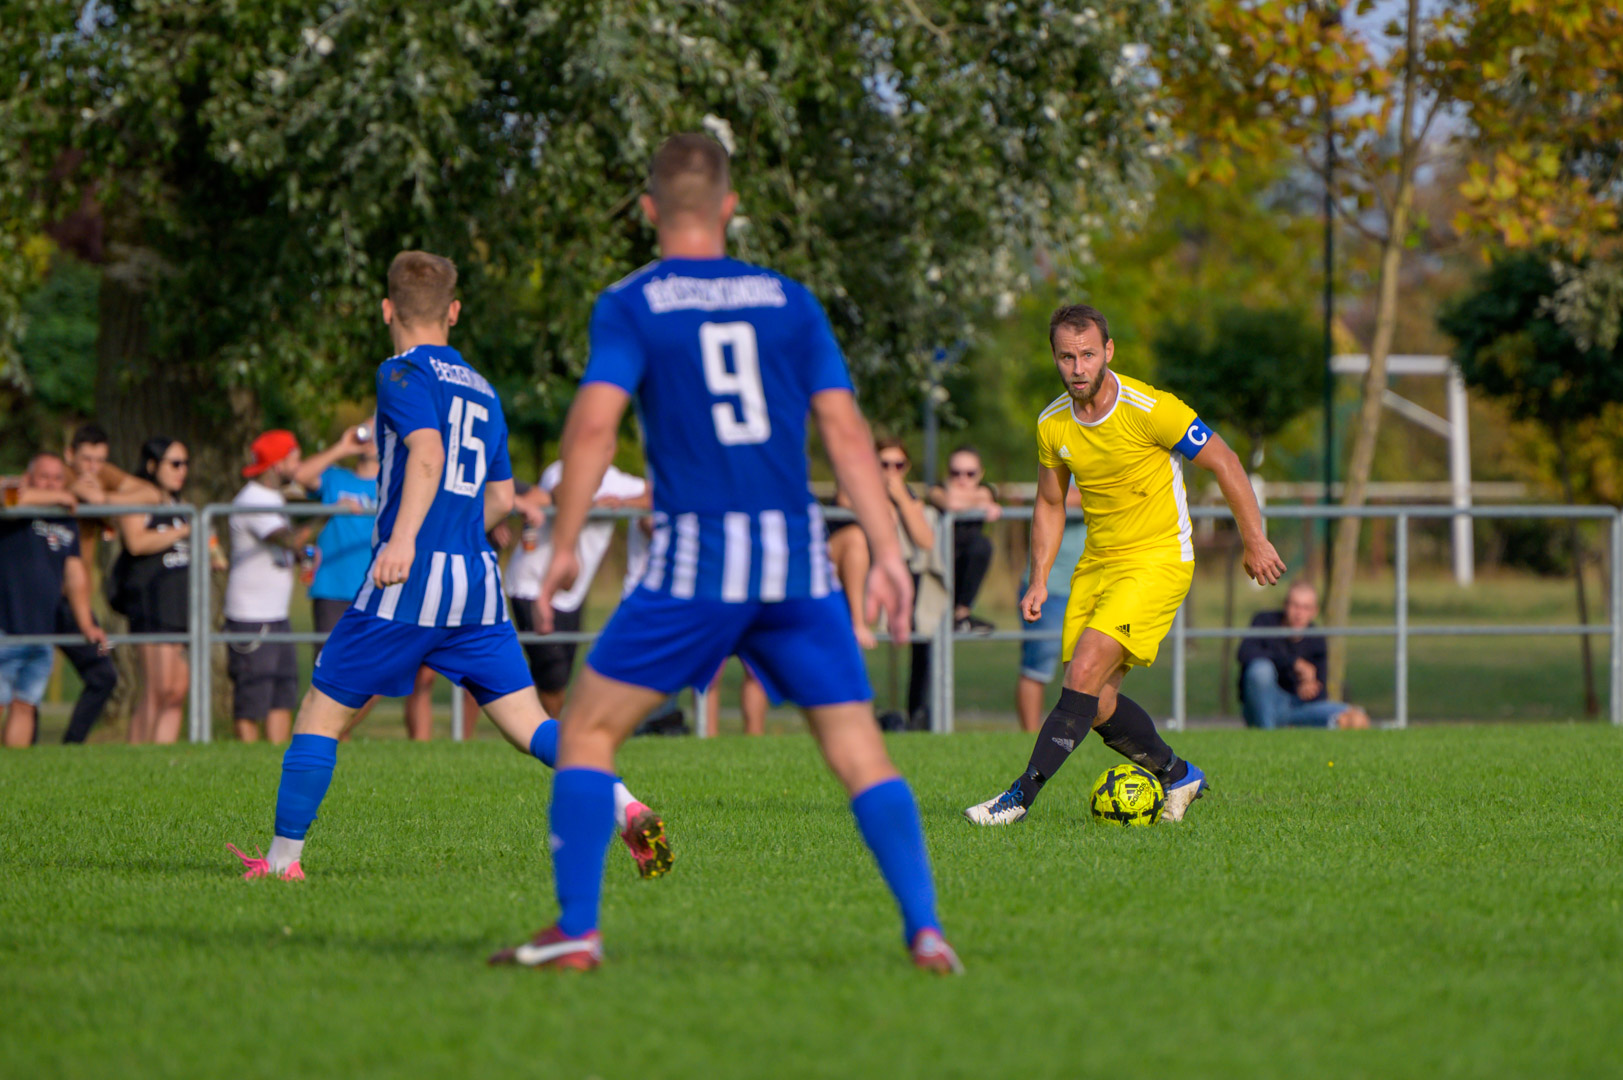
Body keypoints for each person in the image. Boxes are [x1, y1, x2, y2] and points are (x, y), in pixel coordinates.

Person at [491, 133, 960, 973]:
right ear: (730, 207)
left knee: (586, 731)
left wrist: (562, 543)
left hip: (696, 564)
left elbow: (593, 427)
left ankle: (576, 930)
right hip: (795, 562)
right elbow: (845, 431)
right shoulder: (790, 300)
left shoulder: (630, 302)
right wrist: (887, 552)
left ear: (648, 210)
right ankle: (926, 930)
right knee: (859, 751)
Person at [229, 249, 667, 884]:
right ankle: (625, 805)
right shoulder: (484, 389)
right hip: (477, 586)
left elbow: (428, 455)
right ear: (454, 311)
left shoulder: (400, 372)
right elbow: (502, 499)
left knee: (321, 714)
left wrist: (405, 539)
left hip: (410, 584)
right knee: (531, 725)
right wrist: (458, 531)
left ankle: (281, 863)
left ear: (387, 309)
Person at [965, 304, 1285, 826]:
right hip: (1097, 563)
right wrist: (1039, 578)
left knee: (1083, 672)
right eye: (1067, 357)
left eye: (1088, 354)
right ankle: (1178, 774)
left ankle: (1018, 798)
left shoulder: (1152, 409)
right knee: (1094, 700)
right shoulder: (1052, 423)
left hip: (1158, 558)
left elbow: (1225, 460)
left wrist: (1255, 540)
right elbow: (1050, 502)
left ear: (1108, 352)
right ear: (1055, 358)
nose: (1078, 368)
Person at [292, 423, 440, 740]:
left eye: (379, 431)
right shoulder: (336, 478)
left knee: (381, 673)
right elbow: (301, 475)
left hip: (379, 589)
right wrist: (343, 447)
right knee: (330, 674)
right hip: (333, 588)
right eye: (367, 431)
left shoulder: (397, 484)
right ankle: (326, 738)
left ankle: (329, 732)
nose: (372, 438)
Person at [505, 460, 651, 716]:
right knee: (552, 677)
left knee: (559, 680)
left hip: (572, 593)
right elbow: (559, 493)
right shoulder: (561, 469)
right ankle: (548, 735)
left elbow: (656, 494)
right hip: (531, 585)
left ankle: (545, 730)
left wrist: (622, 502)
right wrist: (590, 505)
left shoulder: (618, 481)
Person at [0, 453, 108, 747]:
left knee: (25, 704)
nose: (51, 484)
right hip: (5, 627)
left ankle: (15, 771)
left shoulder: (65, 520)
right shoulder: (14, 507)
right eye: (44, 476)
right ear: (28, 478)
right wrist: (61, 495)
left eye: (57, 478)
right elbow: (8, 496)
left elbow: (74, 576)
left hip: (41, 632)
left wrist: (86, 624)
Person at [224, 431, 313, 744]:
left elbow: (287, 547)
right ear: (277, 465)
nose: (298, 465)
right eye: (294, 459)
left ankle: (275, 758)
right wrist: (330, 512)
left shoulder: (276, 498)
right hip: (251, 616)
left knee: (282, 694)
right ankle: (248, 759)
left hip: (276, 614)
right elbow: (286, 539)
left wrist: (302, 557)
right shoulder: (252, 499)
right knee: (252, 697)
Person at [50, 424, 128, 742]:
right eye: (86, 459)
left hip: (75, 604)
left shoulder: (99, 480)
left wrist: (102, 498)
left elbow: (148, 494)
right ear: (69, 454)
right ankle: (23, 751)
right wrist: (68, 493)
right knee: (21, 682)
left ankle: (71, 746)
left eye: (100, 460)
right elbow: (19, 490)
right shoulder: (54, 478)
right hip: (36, 599)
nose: (93, 468)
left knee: (103, 675)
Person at [113, 437, 193, 745]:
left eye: (185, 464)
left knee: (176, 691)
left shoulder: (180, 506)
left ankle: (163, 760)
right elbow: (135, 542)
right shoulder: (139, 499)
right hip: (150, 605)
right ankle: (138, 757)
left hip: (179, 607)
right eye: (175, 464)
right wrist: (183, 531)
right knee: (157, 689)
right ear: (151, 465)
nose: (182, 471)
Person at [874, 439, 943, 731]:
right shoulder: (860, 494)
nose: (891, 472)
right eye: (884, 465)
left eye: (898, 465)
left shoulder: (912, 500)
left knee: (923, 636)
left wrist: (901, 501)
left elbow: (925, 540)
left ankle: (918, 715)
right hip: (870, 582)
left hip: (911, 582)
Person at [1238, 581, 1370, 729]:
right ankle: (1267, 733)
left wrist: (1308, 689)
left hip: (1298, 707)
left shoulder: (1316, 639)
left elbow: (1321, 695)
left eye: (1306, 608)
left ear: (1314, 611)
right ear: (1285, 605)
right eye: (1295, 606)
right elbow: (1245, 653)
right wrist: (1294, 663)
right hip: (1264, 705)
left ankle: (1293, 727)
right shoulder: (1265, 622)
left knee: (1356, 718)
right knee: (1260, 670)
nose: (1299, 614)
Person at [1014, 482, 1086, 733]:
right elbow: (1051, 498)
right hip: (1050, 589)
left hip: (1092, 588)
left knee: (1091, 668)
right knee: (1037, 667)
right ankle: (1031, 739)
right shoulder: (1061, 461)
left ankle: (1079, 736)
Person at [928, 445, 1001, 635]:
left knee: (982, 546)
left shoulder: (986, 490)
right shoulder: (937, 489)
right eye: (956, 473)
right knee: (926, 637)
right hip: (935, 567)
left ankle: (961, 615)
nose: (962, 479)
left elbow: (984, 496)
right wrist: (977, 503)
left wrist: (971, 501)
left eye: (970, 474)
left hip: (962, 568)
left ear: (981, 474)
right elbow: (949, 501)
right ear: (947, 473)